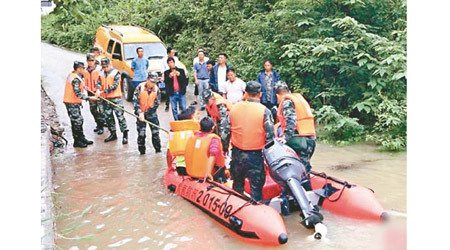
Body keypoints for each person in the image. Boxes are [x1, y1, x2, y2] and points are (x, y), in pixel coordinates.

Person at [229, 81, 275, 201]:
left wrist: (225, 148)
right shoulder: (265, 111)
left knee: (237, 184)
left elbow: (225, 131)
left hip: (237, 153)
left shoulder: (234, 108)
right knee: (256, 187)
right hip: (255, 155)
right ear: (260, 94)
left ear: (246, 93)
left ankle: (235, 207)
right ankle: (256, 207)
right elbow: (270, 137)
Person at [274, 81, 316, 174]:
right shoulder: (299, 99)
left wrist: (285, 137)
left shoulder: (286, 102)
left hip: (301, 141)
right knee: (305, 166)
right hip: (310, 138)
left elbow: (291, 120)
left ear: (277, 95)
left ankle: (301, 186)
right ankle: (307, 183)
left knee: (299, 170)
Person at [95, 57, 129, 144]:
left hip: (115, 99)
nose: (105, 68)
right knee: (108, 117)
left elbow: (114, 86)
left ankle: (125, 134)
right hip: (106, 99)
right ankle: (113, 133)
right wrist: (98, 89)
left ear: (110, 64)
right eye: (103, 67)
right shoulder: (101, 73)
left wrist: (103, 91)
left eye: (106, 66)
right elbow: (98, 83)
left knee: (120, 117)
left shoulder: (116, 73)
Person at [63, 61, 96, 148]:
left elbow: (81, 85)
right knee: (76, 122)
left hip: (74, 102)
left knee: (79, 121)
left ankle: (81, 138)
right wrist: (89, 98)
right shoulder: (75, 79)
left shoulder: (74, 75)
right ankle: (77, 141)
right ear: (79, 69)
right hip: (71, 102)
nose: (84, 70)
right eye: (83, 68)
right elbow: (78, 93)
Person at [185, 117, 227, 183]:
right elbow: (212, 155)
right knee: (222, 167)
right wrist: (208, 173)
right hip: (206, 173)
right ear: (213, 127)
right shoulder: (213, 140)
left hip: (192, 172)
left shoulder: (193, 137)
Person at [133, 71, 162, 155]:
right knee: (141, 135)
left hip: (151, 114)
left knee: (155, 134)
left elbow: (156, 104)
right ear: (147, 79)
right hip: (140, 115)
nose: (153, 84)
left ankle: (158, 151)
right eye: (152, 82)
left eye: (155, 82)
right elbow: (135, 101)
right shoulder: (140, 87)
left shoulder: (157, 90)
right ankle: (142, 153)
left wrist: (146, 113)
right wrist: (140, 112)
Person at [168, 106, 201, 175]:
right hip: (194, 168)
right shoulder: (198, 133)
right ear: (190, 118)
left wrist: (169, 167)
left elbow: (168, 154)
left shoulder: (175, 134)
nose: (199, 116)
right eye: (197, 114)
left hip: (181, 168)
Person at [202, 89, 232, 153]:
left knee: (224, 136)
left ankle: (225, 151)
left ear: (212, 97)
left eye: (208, 101)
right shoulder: (208, 104)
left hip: (226, 120)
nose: (207, 103)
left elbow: (224, 123)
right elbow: (209, 119)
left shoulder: (220, 105)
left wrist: (221, 139)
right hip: (217, 119)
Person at [83, 53, 105, 135]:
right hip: (90, 92)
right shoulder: (84, 70)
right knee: (93, 110)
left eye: (92, 60)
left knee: (101, 110)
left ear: (95, 60)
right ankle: (98, 123)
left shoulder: (99, 69)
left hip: (98, 92)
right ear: (87, 61)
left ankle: (101, 125)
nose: (91, 62)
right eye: (89, 61)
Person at [161, 47, 182, 112]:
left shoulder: (176, 58)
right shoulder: (164, 60)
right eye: (172, 53)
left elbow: (178, 67)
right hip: (168, 75)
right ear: (168, 53)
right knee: (168, 91)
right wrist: (163, 77)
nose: (173, 54)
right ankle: (167, 105)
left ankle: (179, 105)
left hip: (175, 75)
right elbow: (163, 69)